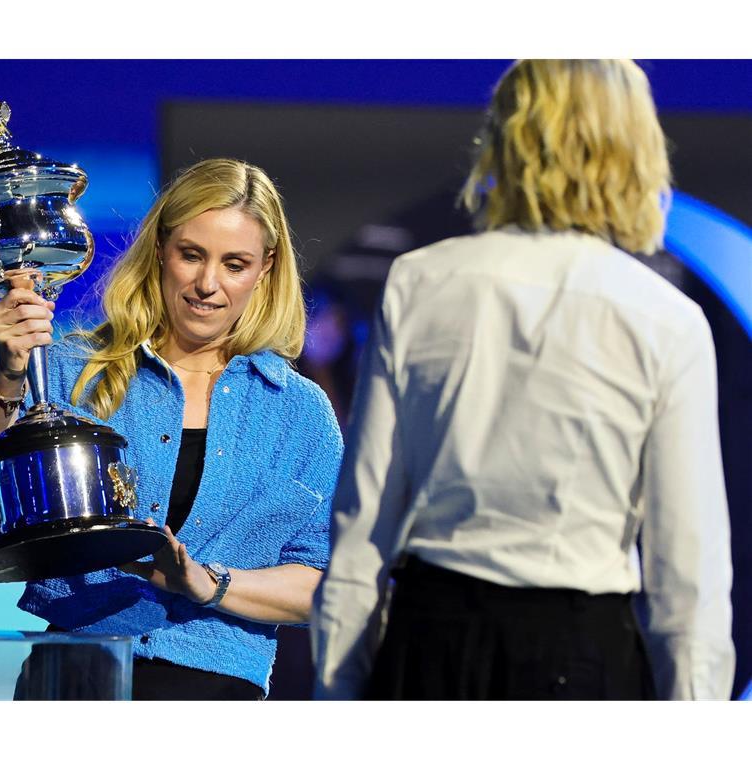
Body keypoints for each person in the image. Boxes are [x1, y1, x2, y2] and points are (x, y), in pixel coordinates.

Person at [312, 59, 735, 700]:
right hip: (580, 656)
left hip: (432, 645)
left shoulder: (420, 283)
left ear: (505, 138)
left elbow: (362, 527)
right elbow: (687, 571)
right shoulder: (664, 319)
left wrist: (336, 696)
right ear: (634, 148)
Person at [0, 158, 343, 699]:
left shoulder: (299, 414)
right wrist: (8, 376)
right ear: (160, 248)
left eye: (235, 263)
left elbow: (327, 585)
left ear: (265, 268)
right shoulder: (69, 369)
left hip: (212, 694)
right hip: (75, 676)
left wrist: (208, 584)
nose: (208, 284)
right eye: (191, 255)